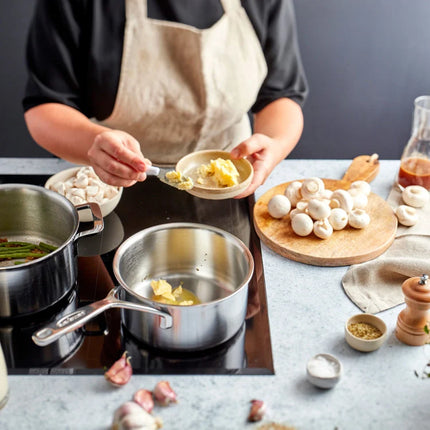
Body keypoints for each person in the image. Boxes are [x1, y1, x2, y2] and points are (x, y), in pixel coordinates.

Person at [23, 0, 308, 198]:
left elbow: (280, 95)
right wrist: (94, 144)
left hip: (229, 187)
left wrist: (274, 144)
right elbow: (45, 107)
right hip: (108, 185)